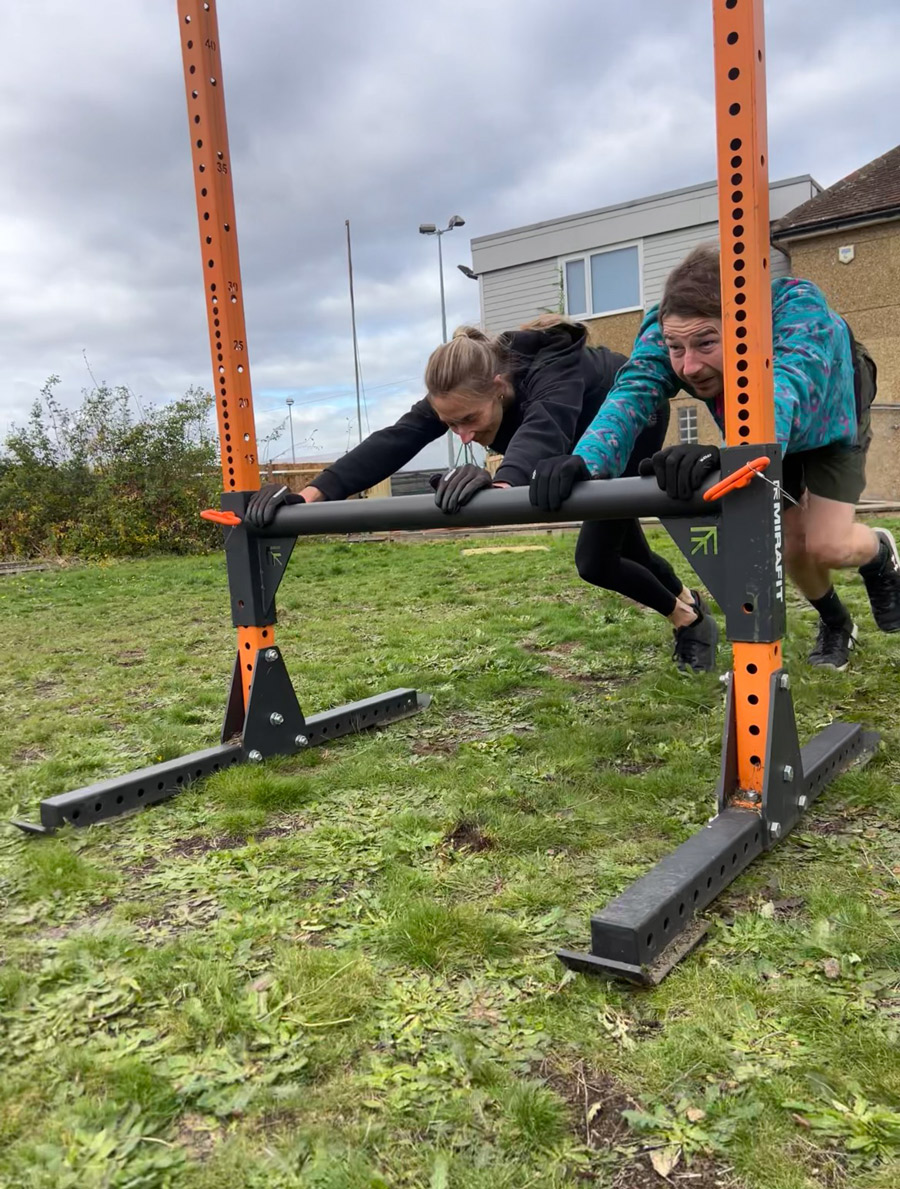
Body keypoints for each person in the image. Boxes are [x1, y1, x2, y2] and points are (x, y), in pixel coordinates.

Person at [245, 316, 718, 672]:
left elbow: (545, 426)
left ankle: (688, 620)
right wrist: (310, 495)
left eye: (469, 420)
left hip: (630, 427)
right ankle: (686, 606)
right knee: (622, 547)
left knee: (596, 559)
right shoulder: (459, 391)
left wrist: (502, 483)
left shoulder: (550, 369)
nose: (464, 436)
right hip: (563, 447)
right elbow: (394, 440)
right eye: (451, 424)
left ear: (499, 388)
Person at [530, 244, 900, 671]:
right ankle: (836, 623)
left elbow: (790, 385)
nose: (688, 367)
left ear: (747, 326)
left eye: (706, 343)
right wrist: (587, 460)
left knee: (826, 543)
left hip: (831, 417)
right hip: (759, 432)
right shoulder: (666, 327)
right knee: (792, 546)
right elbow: (634, 390)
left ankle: (877, 553)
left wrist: (733, 455)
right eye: (676, 348)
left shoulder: (801, 314)